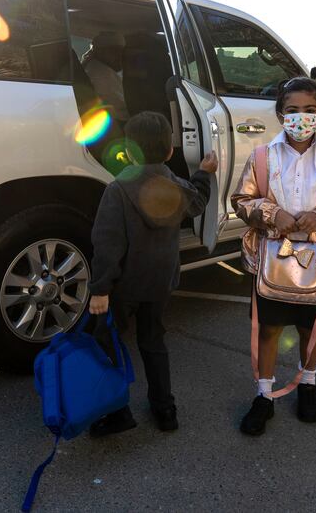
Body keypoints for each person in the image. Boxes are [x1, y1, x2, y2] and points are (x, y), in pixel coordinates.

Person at [231, 77, 316, 435]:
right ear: (279, 114)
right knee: (269, 327)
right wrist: (273, 214)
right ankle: (264, 394)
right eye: (292, 111)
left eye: (309, 111)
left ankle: (308, 385)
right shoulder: (262, 157)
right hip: (270, 258)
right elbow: (242, 201)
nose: (300, 118)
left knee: (311, 328)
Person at [87, 111, 218, 434]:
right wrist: (204, 172)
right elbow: (198, 202)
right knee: (153, 342)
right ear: (171, 151)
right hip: (160, 283)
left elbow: (107, 243)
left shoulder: (118, 190)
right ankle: (165, 409)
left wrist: (100, 288)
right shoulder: (176, 186)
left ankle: (118, 412)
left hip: (123, 286)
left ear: (129, 151)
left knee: (107, 341)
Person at [82, 31, 129, 123]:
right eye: (115, 51)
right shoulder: (100, 74)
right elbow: (122, 111)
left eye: (122, 51)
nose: (120, 56)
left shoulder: (100, 68)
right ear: (100, 52)